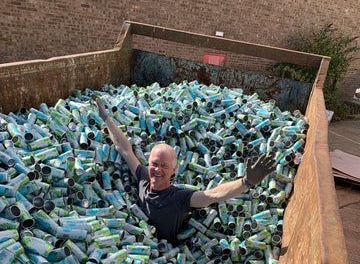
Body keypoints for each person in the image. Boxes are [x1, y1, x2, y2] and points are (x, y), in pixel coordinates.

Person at [94, 97, 276, 245]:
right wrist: (106, 119)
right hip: (133, 242)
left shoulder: (178, 197)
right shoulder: (142, 175)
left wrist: (245, 182)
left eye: (164, 166)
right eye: (154, 164)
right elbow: (125, 149)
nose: (157, 170)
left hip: (162, 254)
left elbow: (212, 195)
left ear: (174, 170)